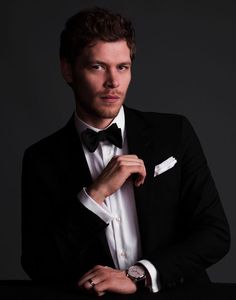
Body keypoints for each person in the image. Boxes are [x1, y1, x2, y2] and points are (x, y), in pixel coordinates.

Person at [21, 7, 230, 296]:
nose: (113, 82)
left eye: (122, 67)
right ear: (67, 69)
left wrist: (139, 274)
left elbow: (215, 234)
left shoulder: (174, 133)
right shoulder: (40, 159)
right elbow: (38, 264)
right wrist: (95, 194)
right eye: (97, 67)